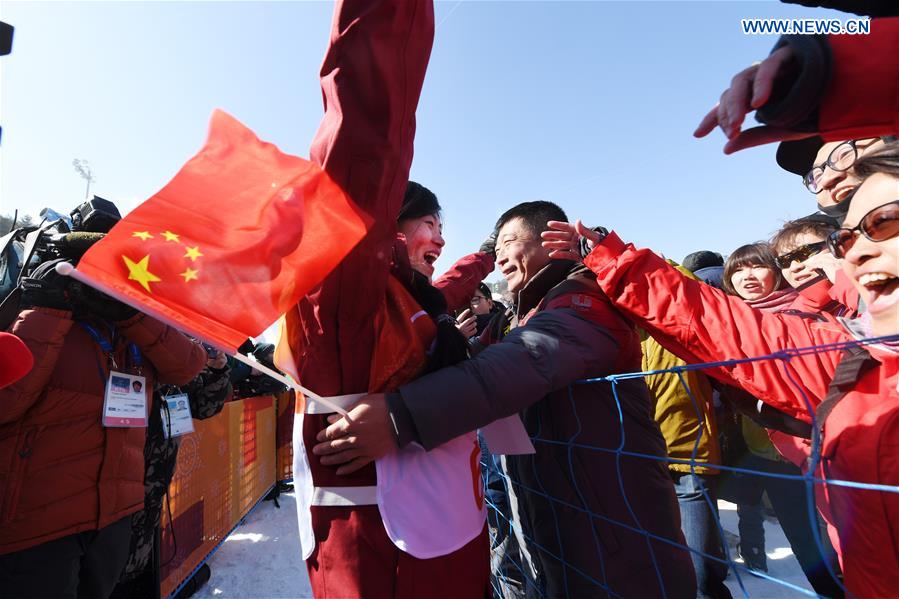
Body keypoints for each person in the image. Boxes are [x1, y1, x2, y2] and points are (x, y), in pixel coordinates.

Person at [540, 145, 899, 597]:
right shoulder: (853, 354)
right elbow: (716, 324)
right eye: (844, 240)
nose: (858, 254)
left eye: (884, 222)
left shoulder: (840, 336)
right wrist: (611, 260)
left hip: (704, 454)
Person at [314, 200, 696, 598]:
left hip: (618, 544)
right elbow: (460, 340)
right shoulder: (524, 315)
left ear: (553, 239)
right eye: (494, 254)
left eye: (509, 243)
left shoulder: (586, 300)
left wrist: (400, 417)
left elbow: (521, 362)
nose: (499, 261)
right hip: (557, 533)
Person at [0, 259, 206, 598]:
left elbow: (188, 365)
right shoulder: (36, 308)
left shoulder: (132, 330)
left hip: (113, 517)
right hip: (39, 522)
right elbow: (7, 400)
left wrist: (132, 313)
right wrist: (48, 306)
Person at [110, 348, 231, 599]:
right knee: (109, 572)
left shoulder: (178, 364)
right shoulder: (118, 351)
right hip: (110, 494)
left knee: (137, 568)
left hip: (152, 493)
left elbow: (206, 406)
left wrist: (217, 370)